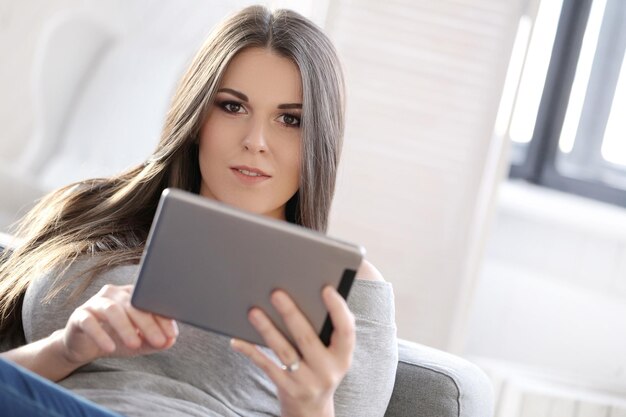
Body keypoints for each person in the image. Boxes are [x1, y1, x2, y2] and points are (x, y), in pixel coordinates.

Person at [0, 5, 398, 417]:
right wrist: (65, 350)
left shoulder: (349, 291)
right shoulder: (92, 209)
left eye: (290, 119)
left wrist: (310, 406)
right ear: (196, 117)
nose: (256, 140)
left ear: (320, 141)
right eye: (232, 107)